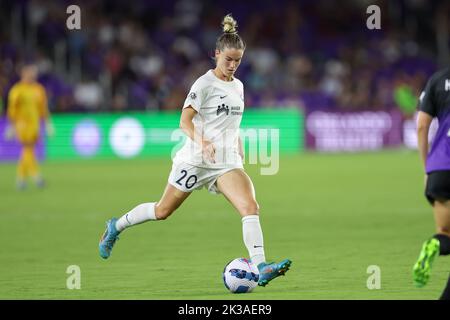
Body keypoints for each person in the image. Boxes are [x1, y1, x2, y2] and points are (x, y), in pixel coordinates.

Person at [99, 14, 291, 287]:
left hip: (226, 162)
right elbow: (184, 122)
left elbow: (233, 123)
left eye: (238, 60)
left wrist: (238, 146)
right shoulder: (204, 84)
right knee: (163, 210)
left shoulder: (238, 86)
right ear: (216, 55)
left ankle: (261, 266)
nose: (233, 65)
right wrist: (203, 142)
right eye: (228, 60)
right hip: (195, 160)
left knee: (250, 206)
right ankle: (115, 227)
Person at [413, 66, 450, 300]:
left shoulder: (438, 80)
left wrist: (427, 166)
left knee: (445, 233)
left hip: (440, 168)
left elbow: (421, 125)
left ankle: (434, 245)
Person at [6, 63, 54, 189]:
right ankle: (36, 177)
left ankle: (21, 179)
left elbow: (43, 108)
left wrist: (48, 124)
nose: (33, 75)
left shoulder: (39, 89)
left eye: (34, 72)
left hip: (35, 124)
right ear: (23, 73)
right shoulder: (17, 90)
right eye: (30, 72)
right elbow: (12, 109)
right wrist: (11, 125)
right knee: (28, 148)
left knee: (28, 150)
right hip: (22, 124)